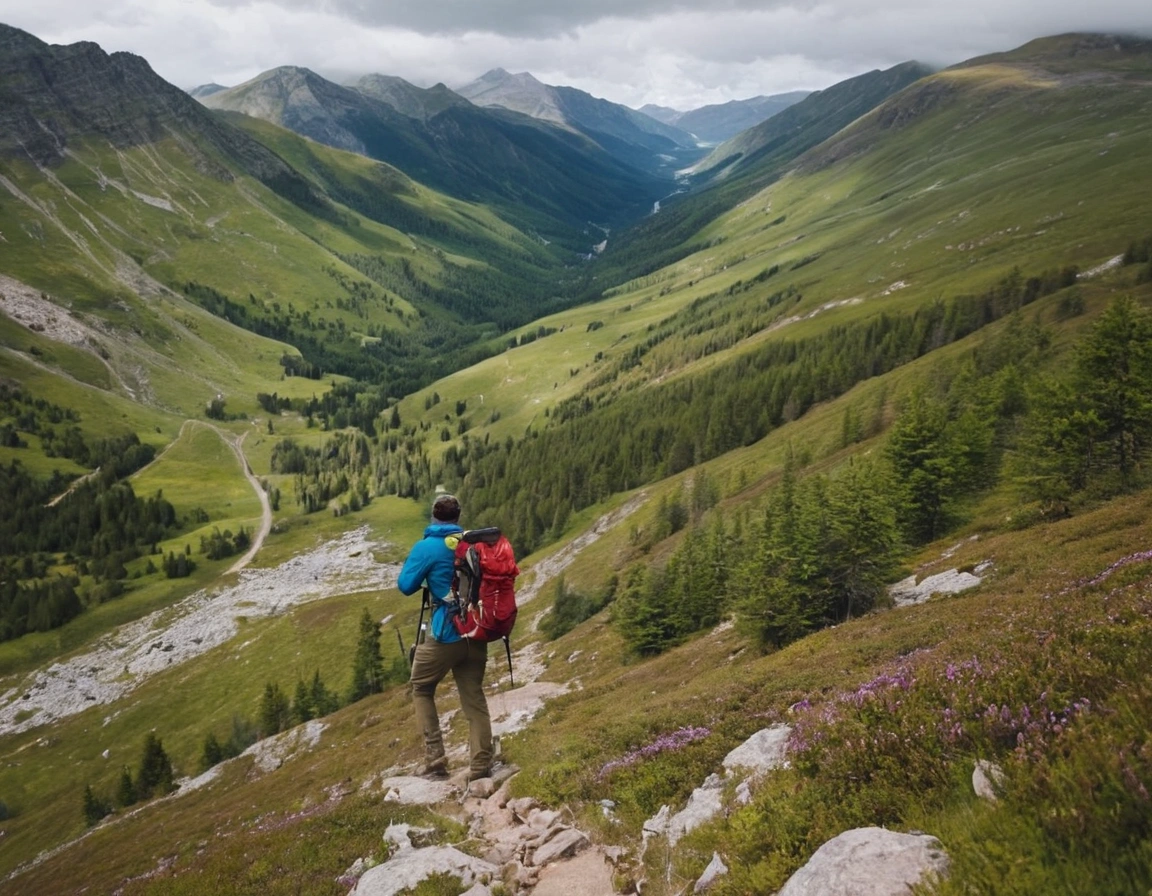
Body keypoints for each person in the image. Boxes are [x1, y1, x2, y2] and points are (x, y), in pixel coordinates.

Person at [397, 494, 493, 780]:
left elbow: (405, 585)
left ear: (434, 516)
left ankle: (435, 758)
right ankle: (480, 766)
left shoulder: (427, 547)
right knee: (474, 698)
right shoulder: (474, 543)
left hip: (447, 632)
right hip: (476, 631)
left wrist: (430, 575)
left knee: (422, 688)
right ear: (458, 516)